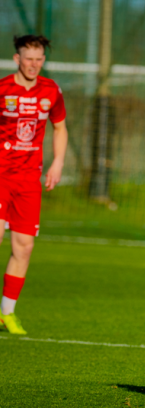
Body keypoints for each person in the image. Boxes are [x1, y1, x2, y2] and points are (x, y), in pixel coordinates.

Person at [0, 35, 68, 334]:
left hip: (29, 179)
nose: (34, 64)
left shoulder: (50, 90)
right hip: (0, 175)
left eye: (39, 59)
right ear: (17, 59)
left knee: (24, 247)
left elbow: (60, 127)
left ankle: (6, 312)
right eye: (29, 58)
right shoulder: (2, 89)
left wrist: (57, 163)